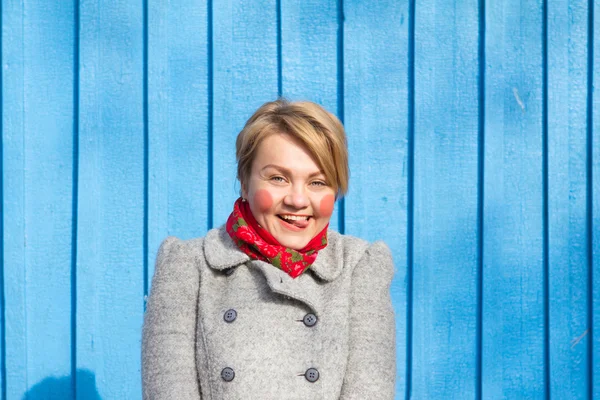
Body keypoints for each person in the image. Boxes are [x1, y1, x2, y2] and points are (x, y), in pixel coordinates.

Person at [142, 99, 396, 399]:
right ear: (244, 181)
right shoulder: (189, 266)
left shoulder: (358, 268)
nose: (298, 200)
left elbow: (369, 390)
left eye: (317, 182)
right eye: (278, 178)